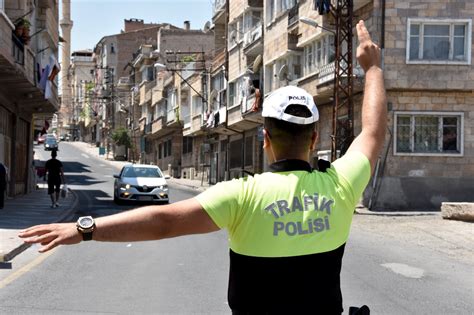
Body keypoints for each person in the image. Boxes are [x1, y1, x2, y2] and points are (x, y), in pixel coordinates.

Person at [19, 20, 386, 314]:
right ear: (313, 138)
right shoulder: (340, 185)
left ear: (264, 138)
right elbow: (372, 132)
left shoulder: (241, 195)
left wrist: (85, 229)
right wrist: (372, 69)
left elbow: (162, 223)